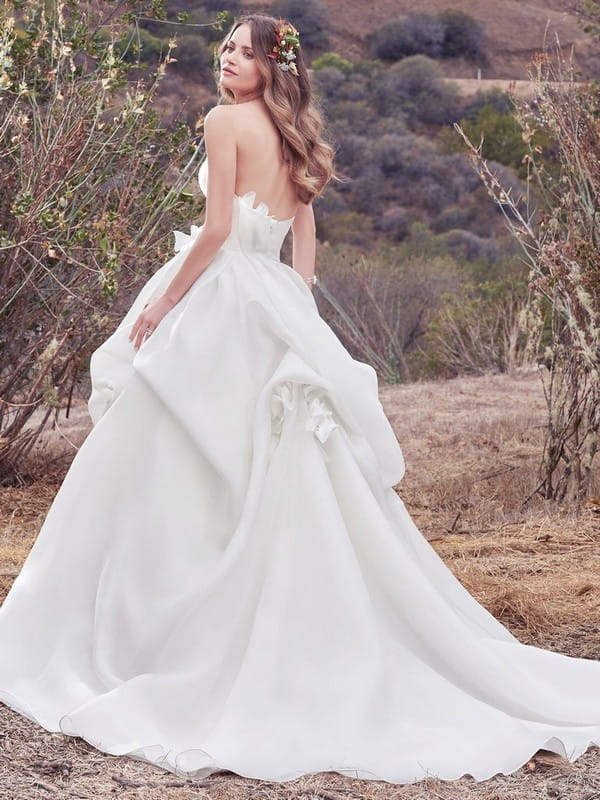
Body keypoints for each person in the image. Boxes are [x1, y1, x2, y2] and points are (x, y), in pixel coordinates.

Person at [0, 12, 598, 787]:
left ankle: (136, 630)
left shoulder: (223, 122)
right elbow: (304, 231)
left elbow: (217, 231)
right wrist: (298, 306)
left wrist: (160, 306)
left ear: (267, 68)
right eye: (224, 49)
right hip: (272, 299)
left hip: (220, 300)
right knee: (252, 460)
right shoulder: (292, 135)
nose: (226, 60)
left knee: (172, 454)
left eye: (242, 53)